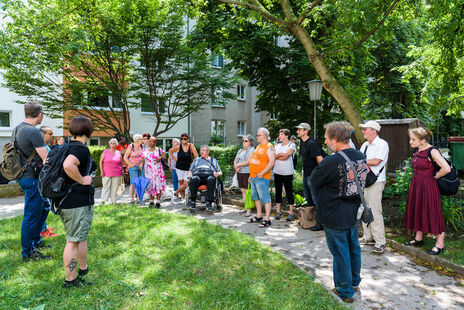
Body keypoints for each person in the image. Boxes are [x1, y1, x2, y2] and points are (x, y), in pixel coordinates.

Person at [310, 121, 367, 303]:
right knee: (353, 248)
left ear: (335, 139)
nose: (325, 142)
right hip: (353, 212)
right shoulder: (360, 155)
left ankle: (344, 291)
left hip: (334, 213)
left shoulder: (331, 161)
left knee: (340, 252)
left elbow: (314, 181)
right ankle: (354, 282)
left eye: (327, 139)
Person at [60, 116, 97, 288]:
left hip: (70, 201)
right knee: (73, 241)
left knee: (79, 238)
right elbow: (68, 165)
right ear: (88, 131)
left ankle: (82, 270)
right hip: (75, 203)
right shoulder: (80, 149)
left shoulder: (67, 146)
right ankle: (71, 280)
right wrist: (82, 180)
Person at [404, 127, 450, 255]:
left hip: (429, 185)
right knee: (418, 209)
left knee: (433, 211)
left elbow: (446, 168)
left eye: (413, 139)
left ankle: (440, 244)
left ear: (423, 141)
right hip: (417, 184)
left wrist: (436, 176)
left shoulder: (432, 151)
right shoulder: (417, 150)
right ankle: (418, 239)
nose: (410, 142)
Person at [15, 102, 50, 261]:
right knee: (31, 215)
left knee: (42, 209)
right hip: (33, 179)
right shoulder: (33, 132)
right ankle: (28, 253)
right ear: (39, 115)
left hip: (23, 176)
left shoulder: (17, 129)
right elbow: (46, 159)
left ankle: (36, 241)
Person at [358, 120, 389, 254]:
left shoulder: (382, 144)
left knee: (375, 211)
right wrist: (365, 164)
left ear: (374, 131)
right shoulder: (365, 145)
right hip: (364, 180)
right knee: (364, 208)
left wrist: (364, 164)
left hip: (376, 182)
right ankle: (368, 236)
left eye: (365, 129)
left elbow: (376, 161)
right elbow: (359, 161)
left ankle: (380, 242)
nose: (363, 131)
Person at [295, 122, 324, 231]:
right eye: (297, 129)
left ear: (306, 131)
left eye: (299, 129)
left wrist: (321, 175)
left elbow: (320, 159)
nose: (297, 131)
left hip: (314, 174)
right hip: (306, 174)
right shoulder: (302, 143)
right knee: (309, 199)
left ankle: (321, 223)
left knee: (316, 199)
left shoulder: (312, 143)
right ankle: (311, 221)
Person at [247, 128, 275, 228]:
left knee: (265, 198)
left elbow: (272, 162)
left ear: (264, 136)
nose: (256, 137)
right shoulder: (258, 146)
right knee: (256, 197)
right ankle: (259, 216)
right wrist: (251, 175)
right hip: (254, 176)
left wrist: (262, 173)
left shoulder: (269, 147)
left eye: (258, 135)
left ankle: (267, 219)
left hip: (262, 177)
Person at [187, 145, 222, 211]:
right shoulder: (196, 160)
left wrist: (217, 173)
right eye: (201, 150)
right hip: (198, 175)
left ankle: (209, 202)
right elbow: (190, 170)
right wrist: (189, 174)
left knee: (211, 179)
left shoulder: (213, 160)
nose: (201, 152)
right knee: (194, 179)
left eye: (203, 150)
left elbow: (220, 172)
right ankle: (193, 201)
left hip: (209, 176)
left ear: (208, 151)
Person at [39, 126, 58, 238]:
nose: (52, 136)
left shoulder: (45, 146)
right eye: (50, 133)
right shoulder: (41, 148)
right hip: (43, 182)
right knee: (45, 205)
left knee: (46, 205)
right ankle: (42, 230)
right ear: (43, 134)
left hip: (47, 181)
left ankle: (44, 227)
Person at [274, 129, 296, 221]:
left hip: (287, 172)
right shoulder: (277, 145)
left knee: (288, 191)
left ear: (286, 135)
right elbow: (273, 157)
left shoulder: (292, 145)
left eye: (282, 134)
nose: (280, 136)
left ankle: (291, 212)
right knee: (278, 192)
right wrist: (280, 155)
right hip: (277, 171)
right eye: (280, 134)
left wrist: (278, 156)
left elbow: (287, 156)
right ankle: (278, 211)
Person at [169, 133, 198, 202]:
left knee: (185, 184)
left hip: (188, 168)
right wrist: (174, 159)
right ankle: (183, 198)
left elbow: (196, 156)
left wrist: (194, 165)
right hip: (179, 168)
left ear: (188, 139)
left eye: (185, 138)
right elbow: (170, 150)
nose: (183, 140)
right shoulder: (179, 147)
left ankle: (175, 192)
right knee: (181, 183)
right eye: (182, 138)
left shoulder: (191, 146)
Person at [143, 136, 167, 208]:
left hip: (158, 171)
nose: (151, 143)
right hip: (148, 171)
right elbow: (143, 160)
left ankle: (158, 202)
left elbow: (165, 157)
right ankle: (151, 201)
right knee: (150, 185)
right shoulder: (146, 151)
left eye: (152, 141)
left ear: (156, 142)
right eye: (150, 141)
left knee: (158, 185)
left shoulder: (159, 150)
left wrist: (160, 157)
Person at [233, 134, 255, 216]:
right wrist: (235, 166)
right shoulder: (240, 150)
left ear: (250, 142)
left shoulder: (252, 150)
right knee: (242, 190)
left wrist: (238, 165)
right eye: (243, 141)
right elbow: (235, 160)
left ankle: (249, 210)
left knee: (248, 191)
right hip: (240, 173)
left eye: (246, 141)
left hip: (247, 173)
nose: (244, 142)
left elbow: (248, 162)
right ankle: (245, 207)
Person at [99, 138, 122, 205]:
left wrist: (122, 170)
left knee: (115, 188)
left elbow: (121, 162)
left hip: (117, 172)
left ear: (116, 145)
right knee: (106, 187)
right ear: (109, 144)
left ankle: (113, 201)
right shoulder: (105, 152)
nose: (112, 144)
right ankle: (103, 201)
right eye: (111, 143)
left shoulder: (118, 152)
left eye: (114, 143)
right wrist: (101, 171)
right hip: (106, 172)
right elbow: (100, 162)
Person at [123, 134, 144, 204]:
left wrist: (141, 164)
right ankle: (132, 200)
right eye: (141, 139)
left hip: (140, 167)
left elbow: (144, 157)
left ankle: (139, 199)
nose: (142, 140)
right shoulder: (131, 146)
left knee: (140, 183)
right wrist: (130, 165)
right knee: (133, 183)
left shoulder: (142, 146)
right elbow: (125, 157)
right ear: (137, 140)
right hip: (133, 167)